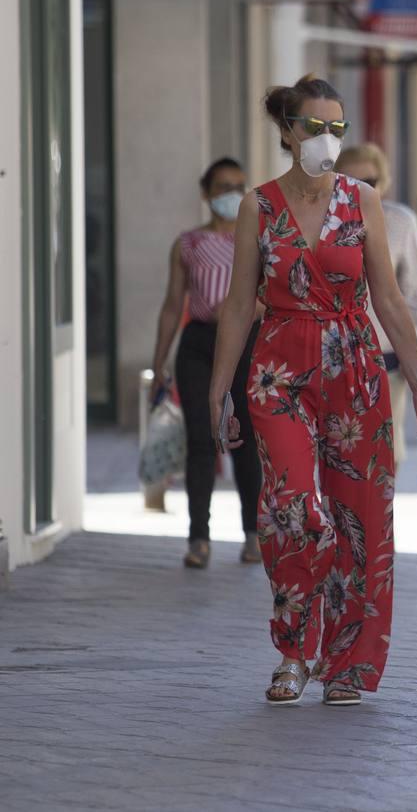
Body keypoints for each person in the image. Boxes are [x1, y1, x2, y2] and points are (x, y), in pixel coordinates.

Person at [209, 74, 417, 707]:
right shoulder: (257, 207)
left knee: (363, 517)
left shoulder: (363, 199)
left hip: (355, 365)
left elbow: (390, 300)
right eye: (314, 127)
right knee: (293, 509)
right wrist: (219, 389)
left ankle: (348, 662)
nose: (326, 139)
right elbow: (239, 306)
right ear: (288, 132)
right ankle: (295, 651)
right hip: (279, 370)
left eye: (336, 128)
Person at [149, 157, 263, 569]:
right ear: (205, 192)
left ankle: (253, 534)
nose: (230, 193)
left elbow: (274, 294)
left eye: (238, 185)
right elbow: (170, 305)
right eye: (221, 186)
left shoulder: (258, 240)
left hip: (246, 342)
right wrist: (158, 362)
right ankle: (199, 538)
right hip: (198, 343)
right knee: (201, 439)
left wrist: (241, 311)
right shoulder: (188, 244)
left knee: (245, 439)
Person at [335, 143, 417, 471]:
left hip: (386, 354)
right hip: (335, 354)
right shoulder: (321, 223)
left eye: (370, 182)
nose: (359, 190)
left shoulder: (401, 222)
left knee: (384, 450)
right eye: (349, 181)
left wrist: (414, 350)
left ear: (385, 182)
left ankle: (379, 519)